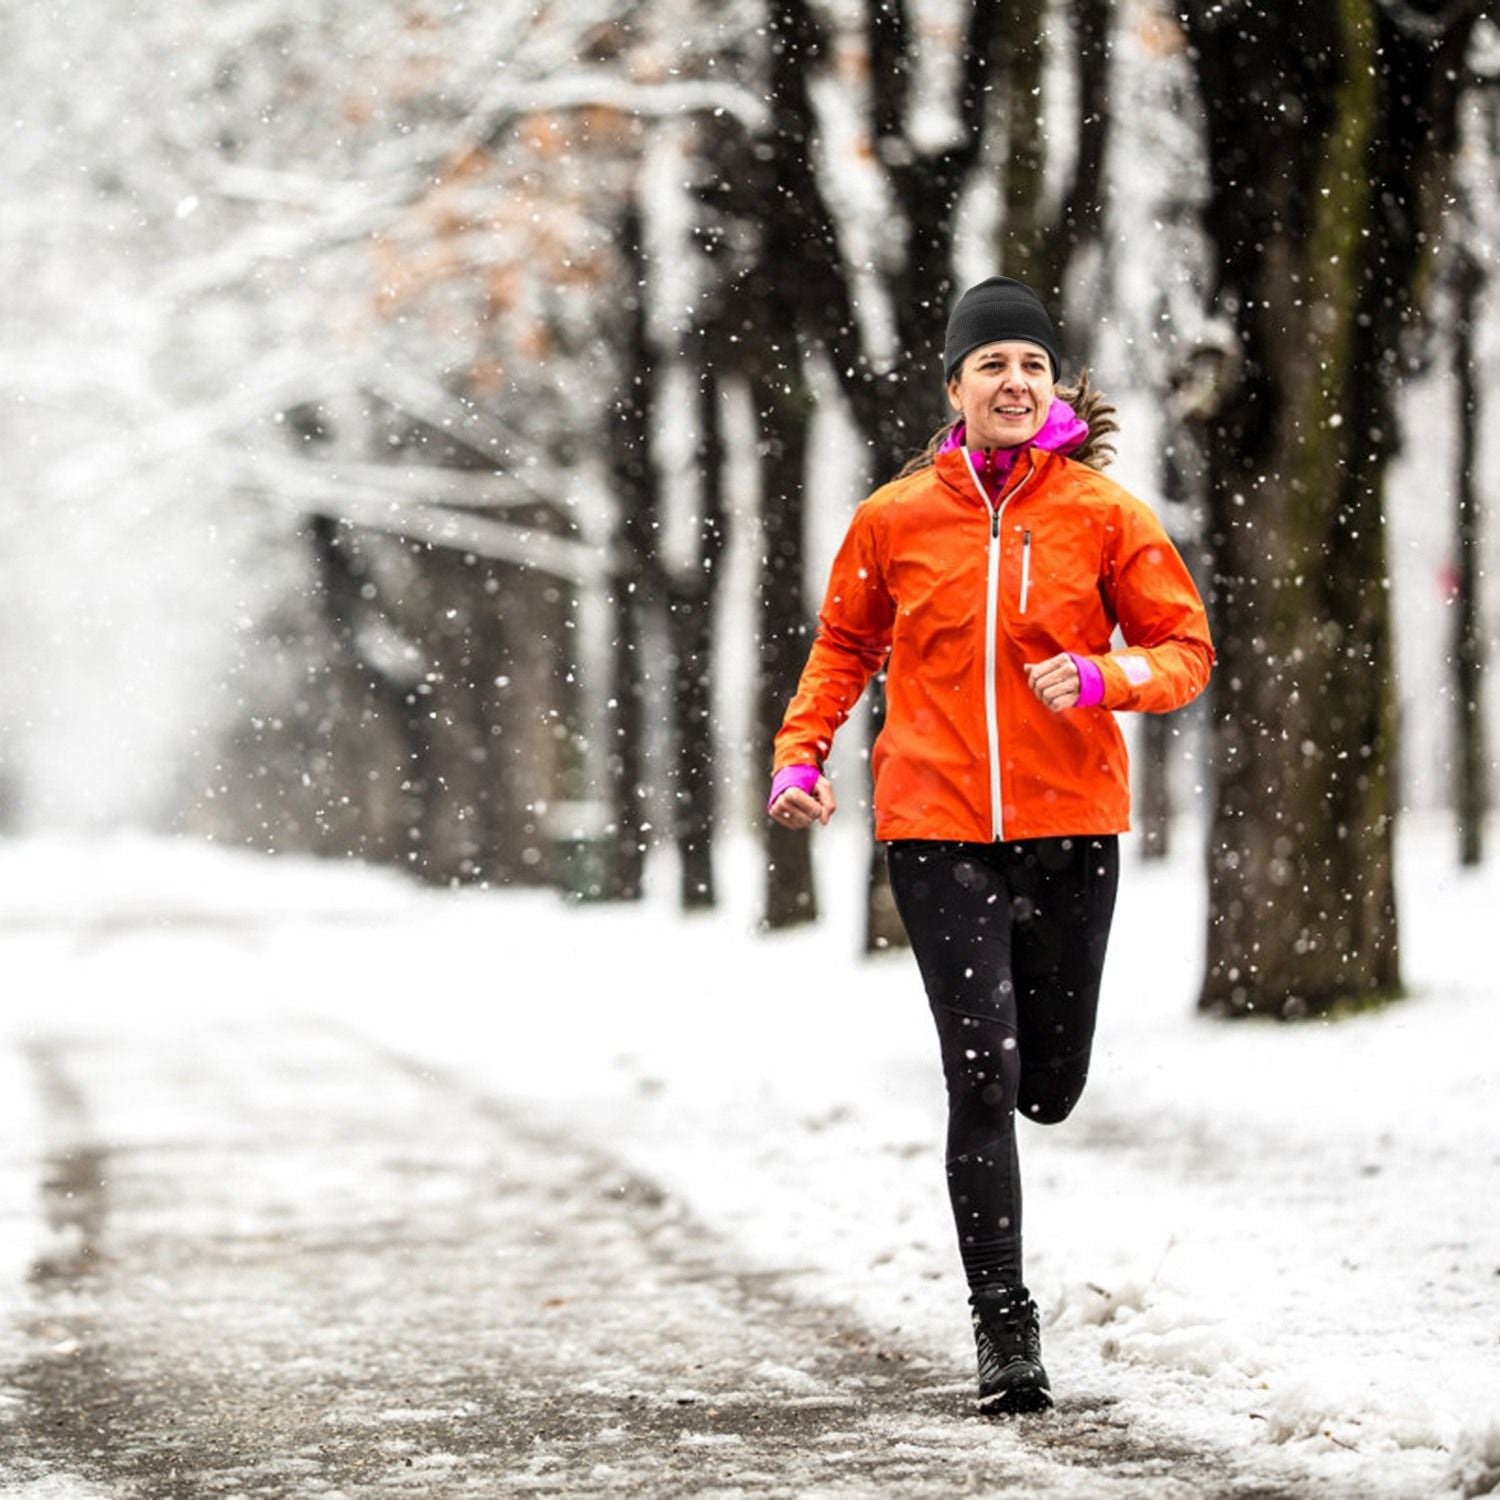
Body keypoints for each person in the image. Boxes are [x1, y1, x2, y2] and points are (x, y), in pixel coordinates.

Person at [767, 276, 1214, 1416]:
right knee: (982, 1070)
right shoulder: (895, 517)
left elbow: (1185, 649)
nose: (1014, 383)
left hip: (1072, 830)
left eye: (1032, 365)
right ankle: (1003, 1325)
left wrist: (1106, 677)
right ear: (955, 385)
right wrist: (800, 759)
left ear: (1053, 386)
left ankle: (1031, 1119)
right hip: (937, 831)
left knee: (1049, 1085)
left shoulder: (1103, 514)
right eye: (991, 365)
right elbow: (841, 649)